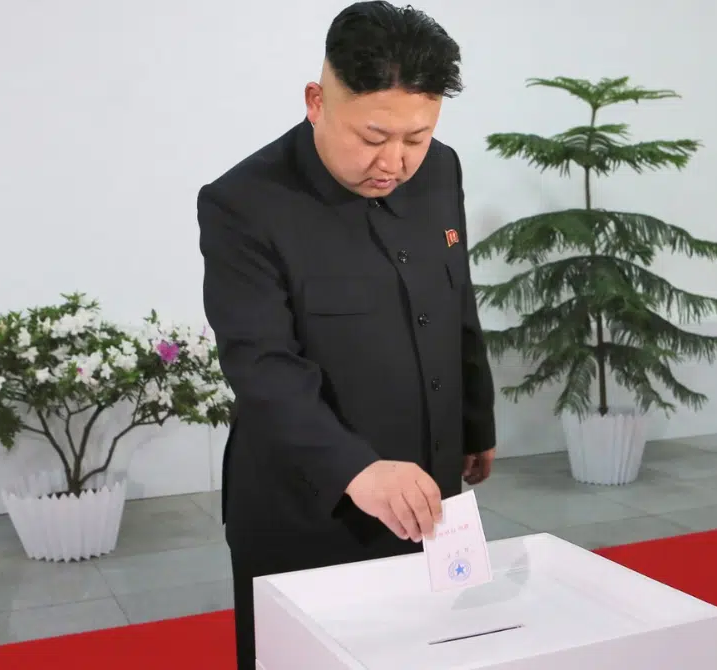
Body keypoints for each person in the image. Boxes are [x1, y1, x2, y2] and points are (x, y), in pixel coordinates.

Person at [195, 2, 498, 665]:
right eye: (373, 136)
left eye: (415, 137)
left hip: (431, 498)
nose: (394, 162)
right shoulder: (243, 203)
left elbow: (455, 301)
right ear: (317, 101)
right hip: (309, 508)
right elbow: (261, 364)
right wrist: (356, 468)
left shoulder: (441, 169)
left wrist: (475, 422)